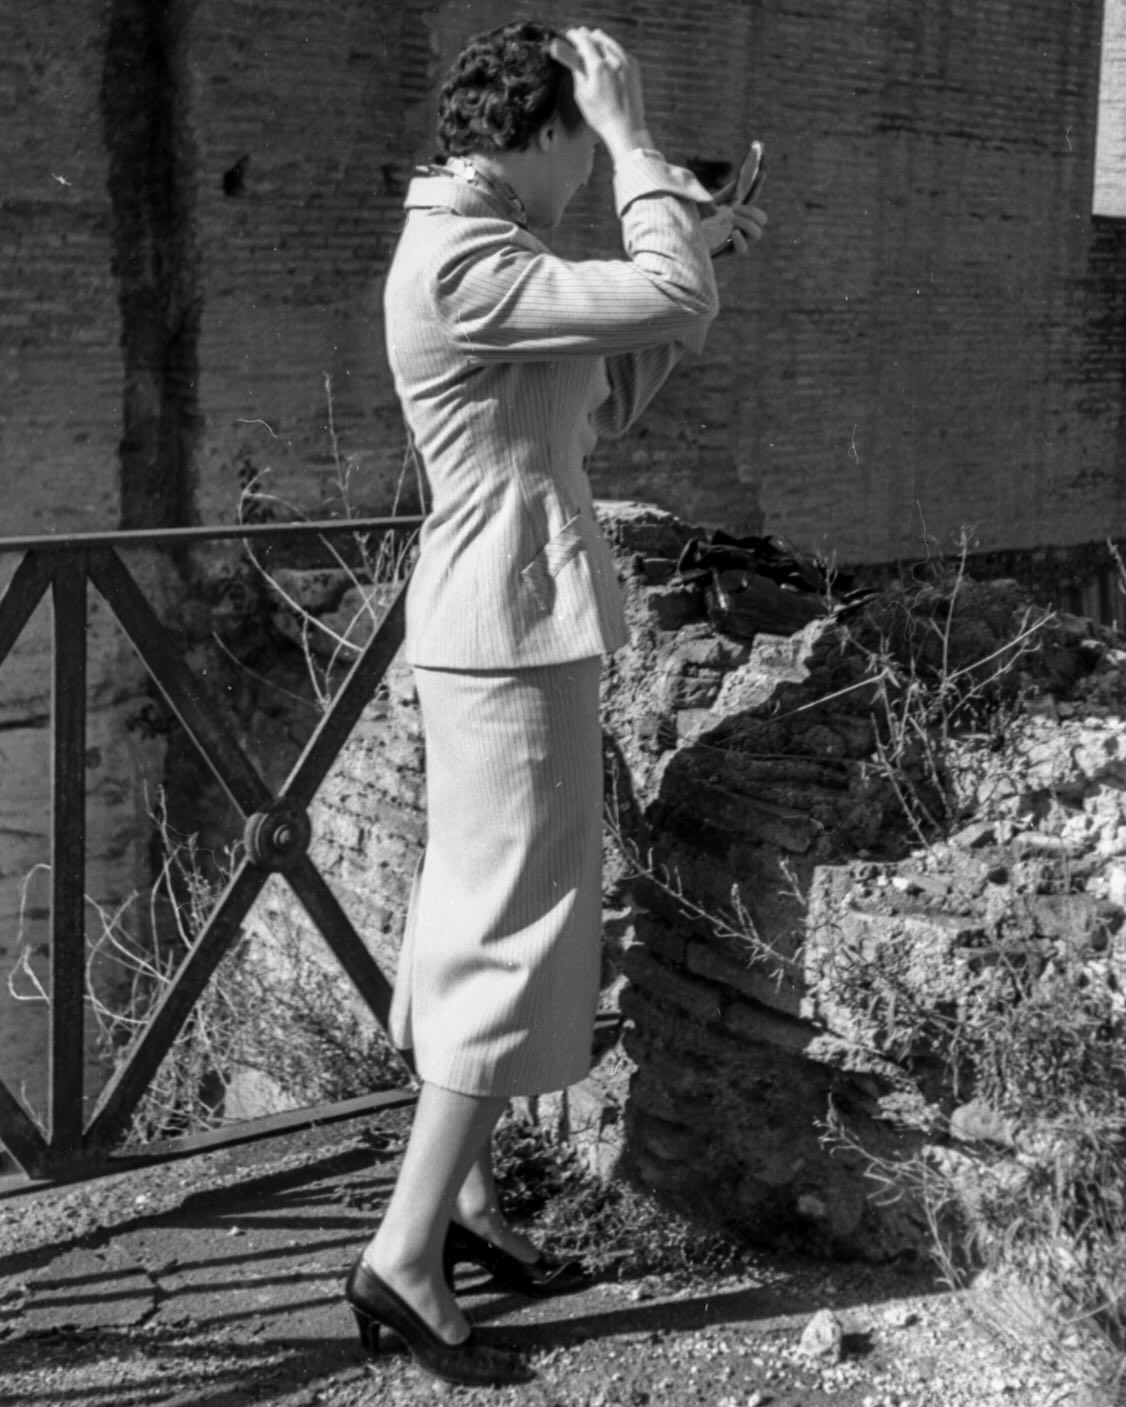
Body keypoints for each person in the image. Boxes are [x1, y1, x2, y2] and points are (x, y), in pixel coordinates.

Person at [344, 19, 766, 1387]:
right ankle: (400, 1261)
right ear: (545, 130)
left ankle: (457, 1212)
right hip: (506, 627)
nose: (598, 168)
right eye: (589, 139)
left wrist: (691, 249)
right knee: (508, 927)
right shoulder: (467, 254)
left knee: (482, 911)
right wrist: (641, 141)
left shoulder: (497, 254)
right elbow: (655, 306)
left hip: (512, 619)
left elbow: (605, 396)